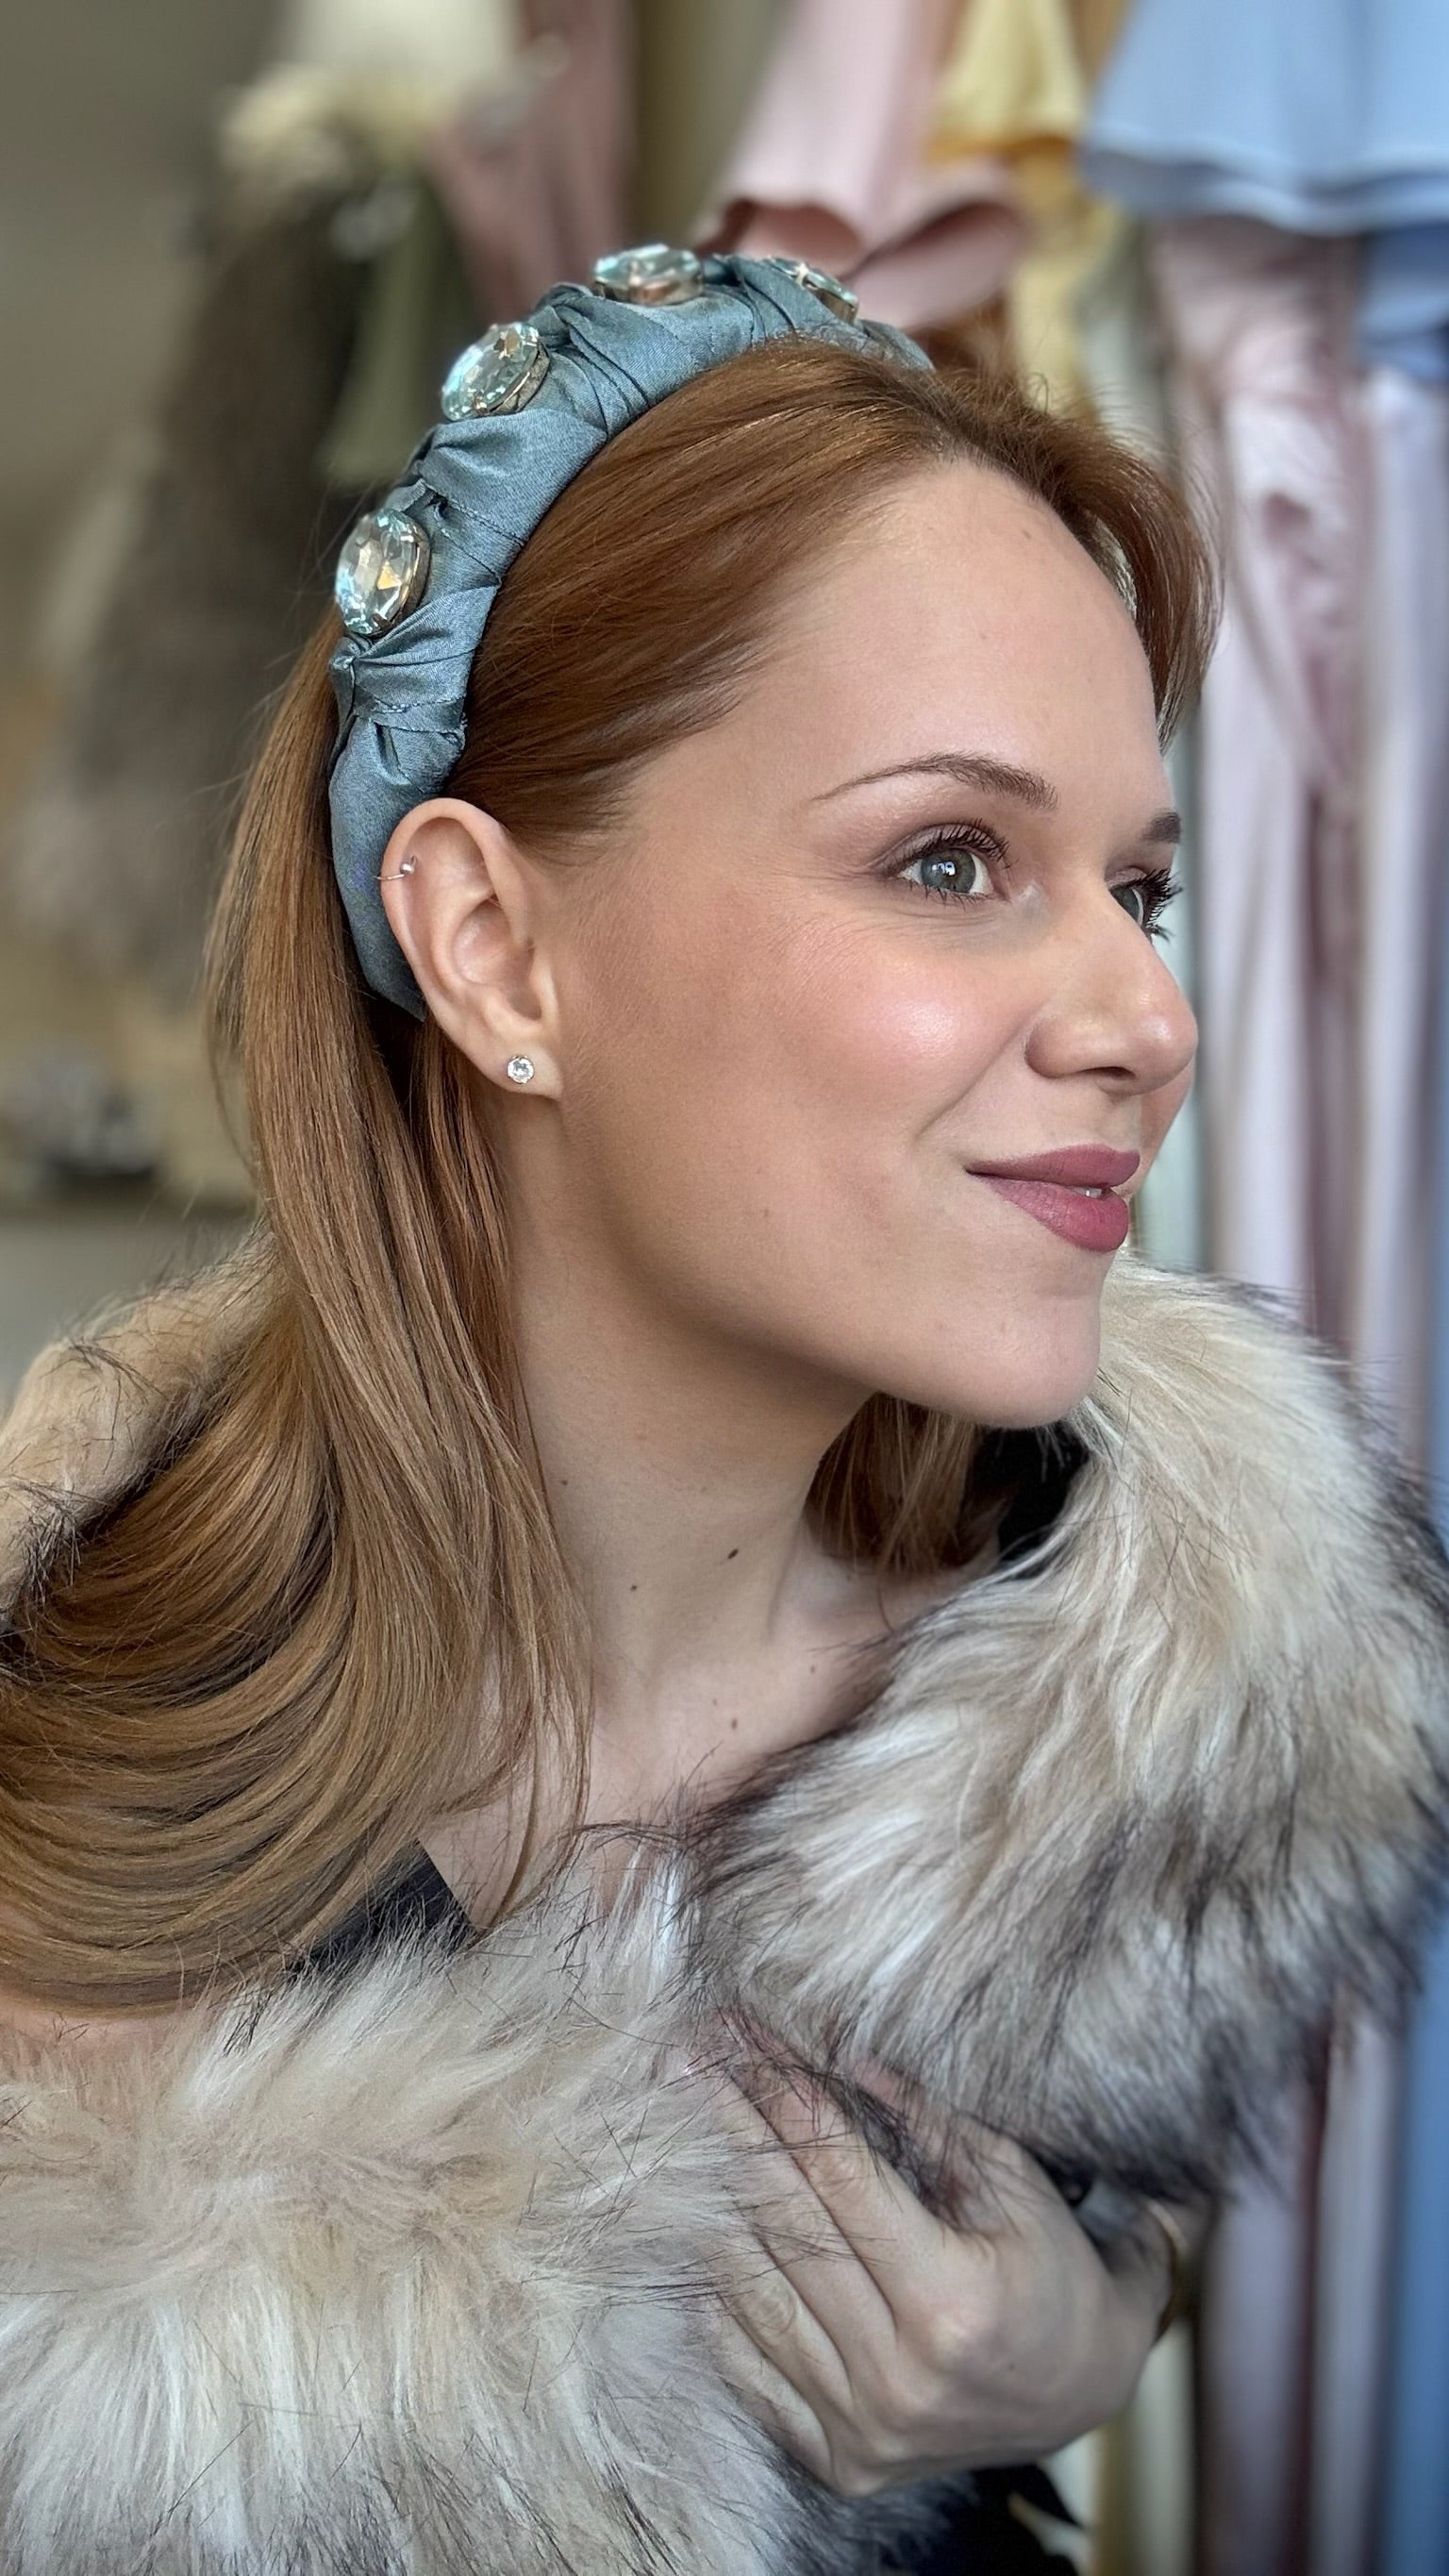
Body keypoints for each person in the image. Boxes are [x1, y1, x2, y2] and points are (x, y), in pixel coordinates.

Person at [0, 249, 1444, 2575]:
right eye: (951, 859)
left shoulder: (1145, 1678)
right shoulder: (57, 1793)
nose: (1147, 1018)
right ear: (495, 945)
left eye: (1139, 887)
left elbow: (1125, 2160)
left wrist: (1077, 2337)